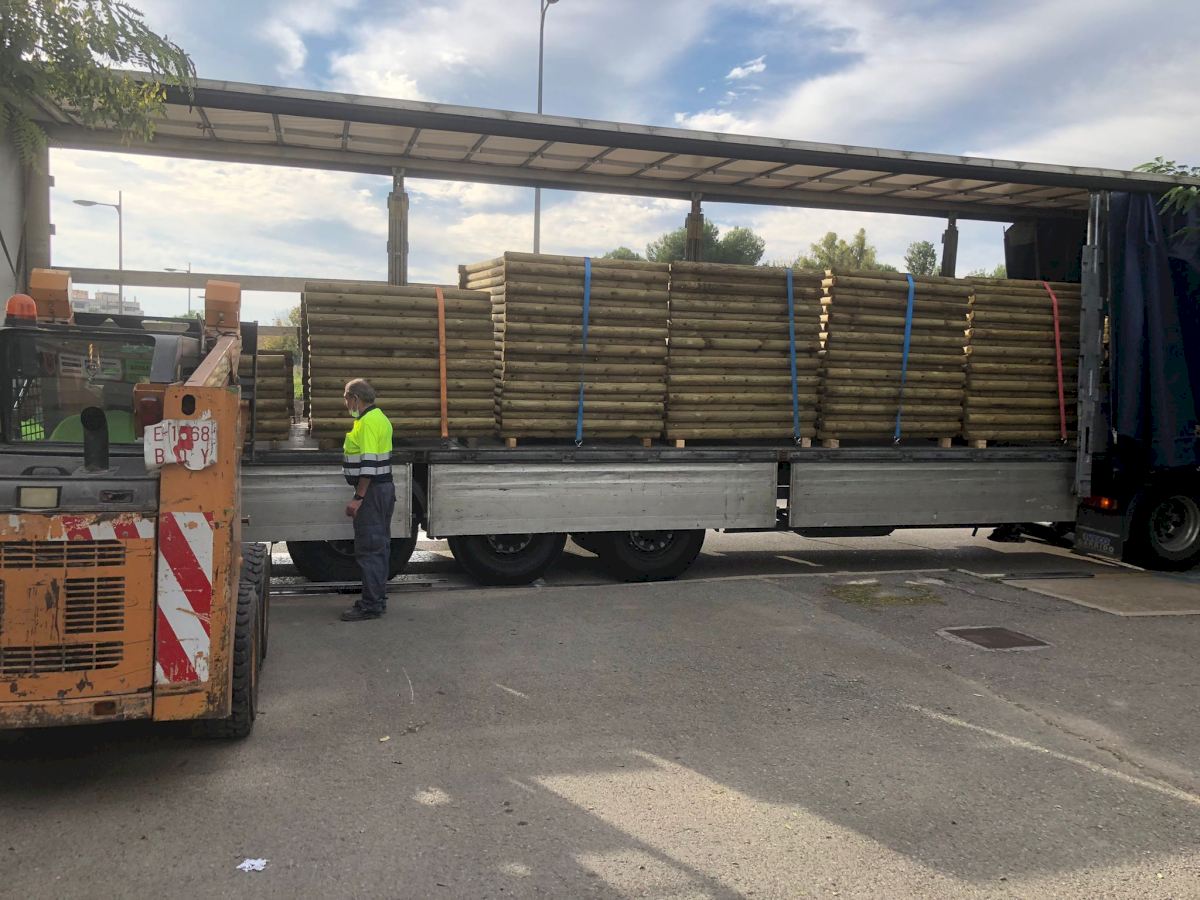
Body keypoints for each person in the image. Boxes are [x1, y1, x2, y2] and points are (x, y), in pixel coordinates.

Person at [339, 379, 395, 621]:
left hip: (372, 493)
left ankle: (371, 605)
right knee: (379, 547)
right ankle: (377, 599)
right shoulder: (379, 418)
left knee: (370, 549)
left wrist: (358, 497)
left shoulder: (368, 422)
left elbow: (369, 464)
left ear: (355, 398)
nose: (345, 403)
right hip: (382, 490)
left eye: (346, 398)